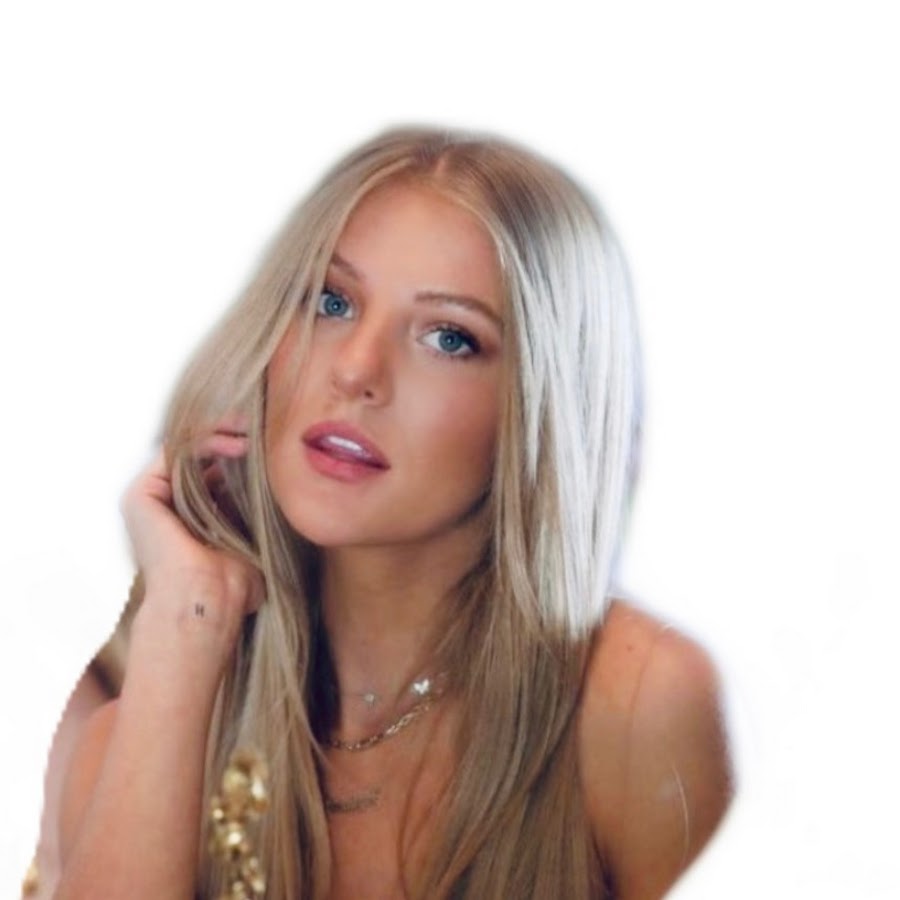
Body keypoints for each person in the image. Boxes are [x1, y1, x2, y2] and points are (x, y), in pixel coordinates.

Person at [52, 127, 732, 899]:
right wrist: (188, 616)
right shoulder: (142, 731)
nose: (355, 370)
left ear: (540, 408)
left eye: (449, 338)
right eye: (332, 301)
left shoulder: (637, 707)